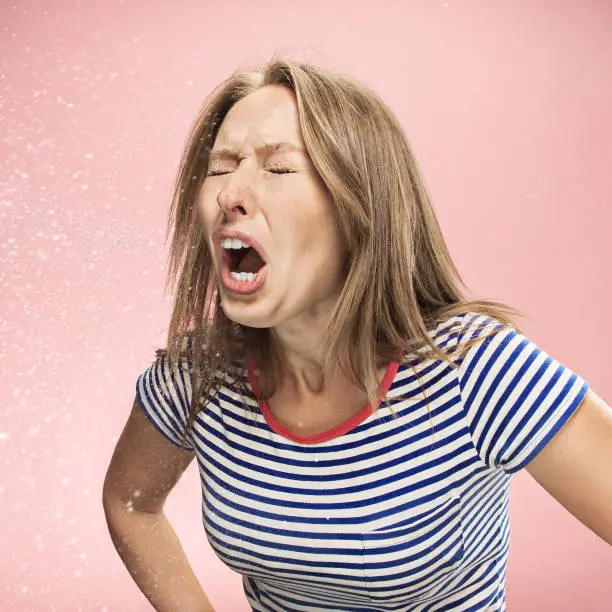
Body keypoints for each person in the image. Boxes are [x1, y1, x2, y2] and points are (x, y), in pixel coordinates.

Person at [102, 59, 612, 612]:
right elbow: (130, 502)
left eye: (279, 168)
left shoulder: (472, 368)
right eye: (222, 166)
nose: (231, 193)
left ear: (361, 207)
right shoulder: (197, 378)